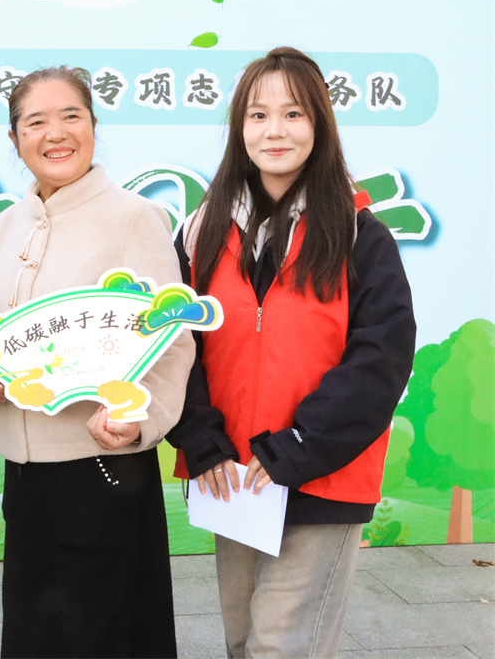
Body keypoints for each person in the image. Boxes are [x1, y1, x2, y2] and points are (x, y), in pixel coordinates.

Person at [0, 66, 193, 659]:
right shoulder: (2, 227)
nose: (55, 133)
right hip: (25, 475)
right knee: (36, 637)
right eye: (35, 122)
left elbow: (171, 338)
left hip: (101, 468)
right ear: (15, 138)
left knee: (108, 637)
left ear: (94, 126)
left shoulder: (133, 218)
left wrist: (139, 420)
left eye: (71, 116)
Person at [167, 47, 416, 658]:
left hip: (323, 474)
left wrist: (300, 444)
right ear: (239, 128)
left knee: (281, 647)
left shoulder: (359, 234)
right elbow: (173, 344)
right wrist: (200, 438)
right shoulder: (201, 232)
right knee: (241, 642)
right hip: (233, 476)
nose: (274, 130)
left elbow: (381, 359)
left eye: (293, 114)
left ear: (319, 125)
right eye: (258, 115)